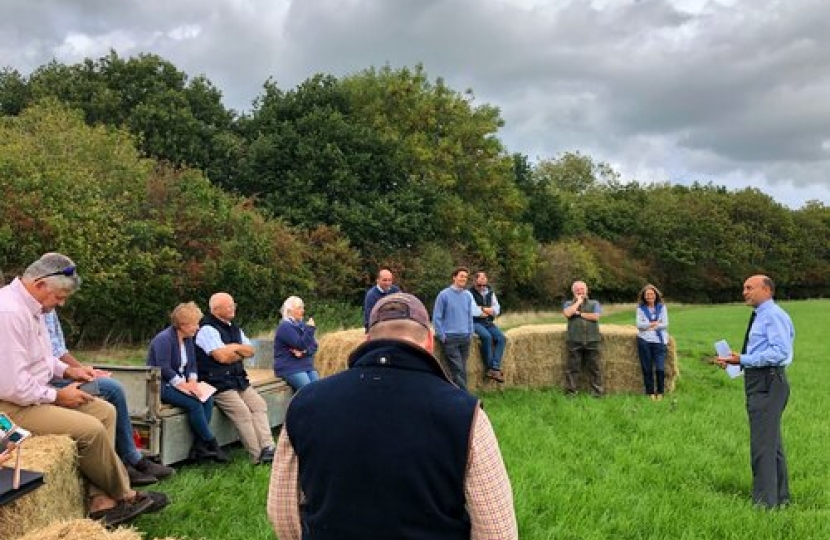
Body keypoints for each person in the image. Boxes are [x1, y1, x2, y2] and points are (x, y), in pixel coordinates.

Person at [267, 292, 518, 539]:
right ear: (429, 342)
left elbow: (283, 512)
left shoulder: (304, 404)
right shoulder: (466, 413)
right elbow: (497, 530)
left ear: (366, 340)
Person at [0, 253, 166, 526]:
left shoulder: (33, 307)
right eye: (60, 295)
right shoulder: (8, 312)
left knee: (105, 411)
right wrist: (58, 395)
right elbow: (12, 385)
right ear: (40, 284)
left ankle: (101, 502)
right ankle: (124, 493)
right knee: (90, 429)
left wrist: (69, 371)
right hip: (10, 406)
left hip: (31, 395)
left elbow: (41, 359)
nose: (62, 302)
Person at [45, 310, 176, 485]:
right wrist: (81, 374)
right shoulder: (21, 311)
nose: (61, 301)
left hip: (61, 376)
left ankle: (126, 459)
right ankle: (129, 459)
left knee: (109, 386)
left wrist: (85, 371)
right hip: (50, 384)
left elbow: (59, 352)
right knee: (112, 389)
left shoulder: (47, 310)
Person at [716, 275, 794, 508]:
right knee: (772, 445)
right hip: (762, 379)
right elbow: (762, 352)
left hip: (767, 382)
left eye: (749, 288)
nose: (744, 292)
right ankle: (780, 498)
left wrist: (744, 358)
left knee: (762, 447)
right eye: (743, 288)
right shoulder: (763, 316)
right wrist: (736, 362)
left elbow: (780, 353)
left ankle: (764, 505)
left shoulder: (773, 316)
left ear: (766, 290)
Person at [195, 292, 276, 465]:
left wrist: (233, 348)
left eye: (233, 304)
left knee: (259, 405)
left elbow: (251, 351)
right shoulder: (207, 329)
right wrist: (239, 351)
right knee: (243, 413)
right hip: (217, 383)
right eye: (229, 305)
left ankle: (269, 448)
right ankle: (257, 456)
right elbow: (222, 357)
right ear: (216, 309)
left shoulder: (234, 328)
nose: (233, 308)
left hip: (237, 379)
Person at [147, 301, 229, 463]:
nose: (198, 327)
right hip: (161, 385)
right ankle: (211, 443)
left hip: (181, 382)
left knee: (207, 399)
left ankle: (198, 447)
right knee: (194, 404)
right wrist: (184, 386)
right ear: (183, 325)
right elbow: (163, 368)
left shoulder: (188, 339)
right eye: (195, 324)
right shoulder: (164, 339)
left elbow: (192, 364)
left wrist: (193, 381)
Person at [433, 267, 477, 390]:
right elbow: (437, 317)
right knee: (458, 369)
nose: (464, 279)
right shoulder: (444, 295)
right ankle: (465, 395)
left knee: (462, 368)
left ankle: (456, 393)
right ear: (454, 277)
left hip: (465, 338)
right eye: (461, 276)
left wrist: (470, 332)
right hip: (450, 338)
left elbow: (469, 315)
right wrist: (442, 336)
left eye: (465, 277)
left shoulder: (468, 295)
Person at [562, 280, 603, 397]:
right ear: (573, 292)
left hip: (592, 339)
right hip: (574, 340)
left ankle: (597, 393)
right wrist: (578, 302)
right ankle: (571, 393)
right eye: (578, 290)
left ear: (586, 290)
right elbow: (567, 314)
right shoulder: (568, 303)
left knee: (595, 368)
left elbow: (595, 317)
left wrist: (579, 314)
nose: (580, 291)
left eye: (582, 289)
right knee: (572, 368)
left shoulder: (594, 303)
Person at [273, 296, 319, 391]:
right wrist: (310, 329)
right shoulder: (285, 327)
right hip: (290, 367)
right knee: (308, 391)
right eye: (299, 308)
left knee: (319, 389)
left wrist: (304, 352)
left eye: (303, 308)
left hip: (305, 365)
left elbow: (314, 346)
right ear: (289, 311)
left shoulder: (301, 325)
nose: (303, 311)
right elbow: (300, 344)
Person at [470, 271, 507, 383]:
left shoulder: (490, 292)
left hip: (488, 322)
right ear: (475, 281)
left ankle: (494, 367)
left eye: (484, 282)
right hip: (475, 322)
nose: (482, 286)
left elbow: (497, 309)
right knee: (486, 337)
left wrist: (483, 309)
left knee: (502, 338)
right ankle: (492, 368)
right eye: (479, 283)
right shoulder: (469, 293)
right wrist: (487, 310)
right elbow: (473, 311)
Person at [635, 284, 669, 401]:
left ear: (656, 295)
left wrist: (649, 326)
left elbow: (665, 325)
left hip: (659, 341)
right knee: (647, 368)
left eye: (652, 294)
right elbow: (639, 325)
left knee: (660, 368)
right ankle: (650, 393)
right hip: (644, 341)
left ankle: (660, 392)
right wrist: (653, 324)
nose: (650, 296)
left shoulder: (662, 307)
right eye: (647, 294)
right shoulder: (640, 308)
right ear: (644, 296)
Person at [362, 267, 401, 331]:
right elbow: (370, 319)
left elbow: (402, 308)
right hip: (376, 327)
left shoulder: (396, 290)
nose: (387, 283)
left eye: (389, 280)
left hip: (393, 324)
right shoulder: (371, 295)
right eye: (384, 280)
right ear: (377, 280)